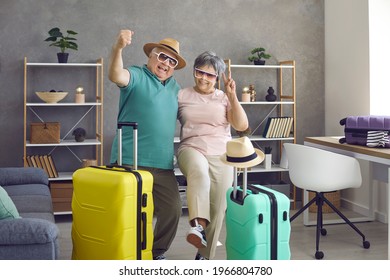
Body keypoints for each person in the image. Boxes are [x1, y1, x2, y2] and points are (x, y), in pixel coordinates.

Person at [108, 30, 186, 260]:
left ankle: (156, 253)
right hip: (129, 161)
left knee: (172, 209)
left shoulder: (176, 89)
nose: (166, 64)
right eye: (162, 57)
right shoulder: (136, 74)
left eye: (172, 61)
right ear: (151, 56)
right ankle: (125, 254)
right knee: (127, 213)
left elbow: (192, 117)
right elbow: (115, 75)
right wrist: (118, 48)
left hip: (162, 164)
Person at [177, 51, 249, 260]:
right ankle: (198, 227)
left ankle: (204, 257)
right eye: (200, 72)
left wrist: (232, 95)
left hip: (222, 155)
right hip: (191, 148)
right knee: (199, 172)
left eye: (210, 75)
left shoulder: (224, 97)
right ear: (194, 72)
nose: (204, 78)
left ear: (217, 78)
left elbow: (241, 126)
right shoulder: (182, 95)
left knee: (218, 208)